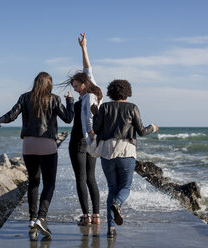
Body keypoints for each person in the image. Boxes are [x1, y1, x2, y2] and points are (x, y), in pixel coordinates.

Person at [0, 72, 74, 239]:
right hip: (47, 145)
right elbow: (68, 118)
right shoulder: (54, 99)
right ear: (49, 84)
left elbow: (11, 115)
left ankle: (32, 220)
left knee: (33, 182)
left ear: (36, 82)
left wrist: (0, 119)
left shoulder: (24, 97)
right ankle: (41, 218)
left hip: (28, 145)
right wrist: (70, 101)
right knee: (49, 183)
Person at [91, 79, 159, 238]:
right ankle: (118, 203)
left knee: (112, 188)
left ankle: (111, 229)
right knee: (125, 188)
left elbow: (96, 128)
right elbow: (141, 131)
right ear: (127, 92)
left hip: (107, 152)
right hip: (126, 151)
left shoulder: (105, 107)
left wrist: (96, 114)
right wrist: (153, 128)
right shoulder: (132, 107)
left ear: (111, 92)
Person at [65, 33, 102, 226]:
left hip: (81, 141)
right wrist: (84, 48)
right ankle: (96, 216)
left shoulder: (87, 97)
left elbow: (88, 121)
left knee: (81, 179)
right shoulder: (95, 92)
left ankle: (86, 216)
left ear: (84, 83)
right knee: (91, 179)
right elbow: (88, 68)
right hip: (92, 142)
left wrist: (89, 138)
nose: (77, 89)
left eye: (77, 86)